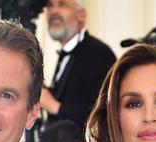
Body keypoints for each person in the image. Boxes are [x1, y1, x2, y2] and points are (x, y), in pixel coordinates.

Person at [40, 0, 114, 131]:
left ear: (82, 15)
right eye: (50, 5)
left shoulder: (99, 52)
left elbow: (105, 112)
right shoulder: (67, 53)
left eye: (62, 4)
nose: (53, 11)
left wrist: (55, 107)